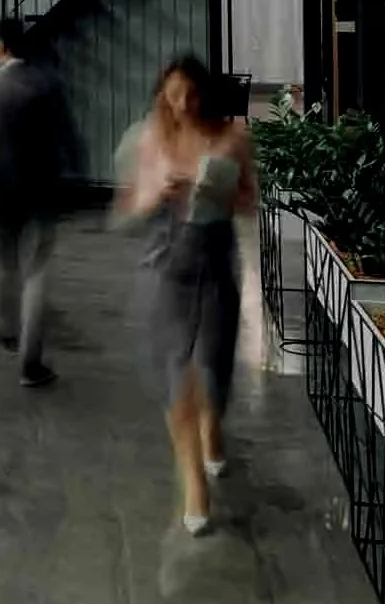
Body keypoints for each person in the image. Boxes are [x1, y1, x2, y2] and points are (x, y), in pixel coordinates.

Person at [113, 55, 255, 537]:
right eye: (173, 94)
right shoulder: (152, 137)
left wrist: (216, 189)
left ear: (206, 94)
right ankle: (193, 482)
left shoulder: (233, 138)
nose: (182, 104)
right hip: (166, 262)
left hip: (215, 261)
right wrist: (159, 192)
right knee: (178, 373)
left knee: (213, 367)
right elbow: (129, 206)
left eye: (191, 94)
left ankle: (212, 428)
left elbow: (250, 201)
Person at [0, 18, 77, 389]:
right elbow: (67, 138)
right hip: (41, 193)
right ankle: (31, 362)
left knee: (4, 266)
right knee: (36, 273)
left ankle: (10, 331)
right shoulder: (47, 85)